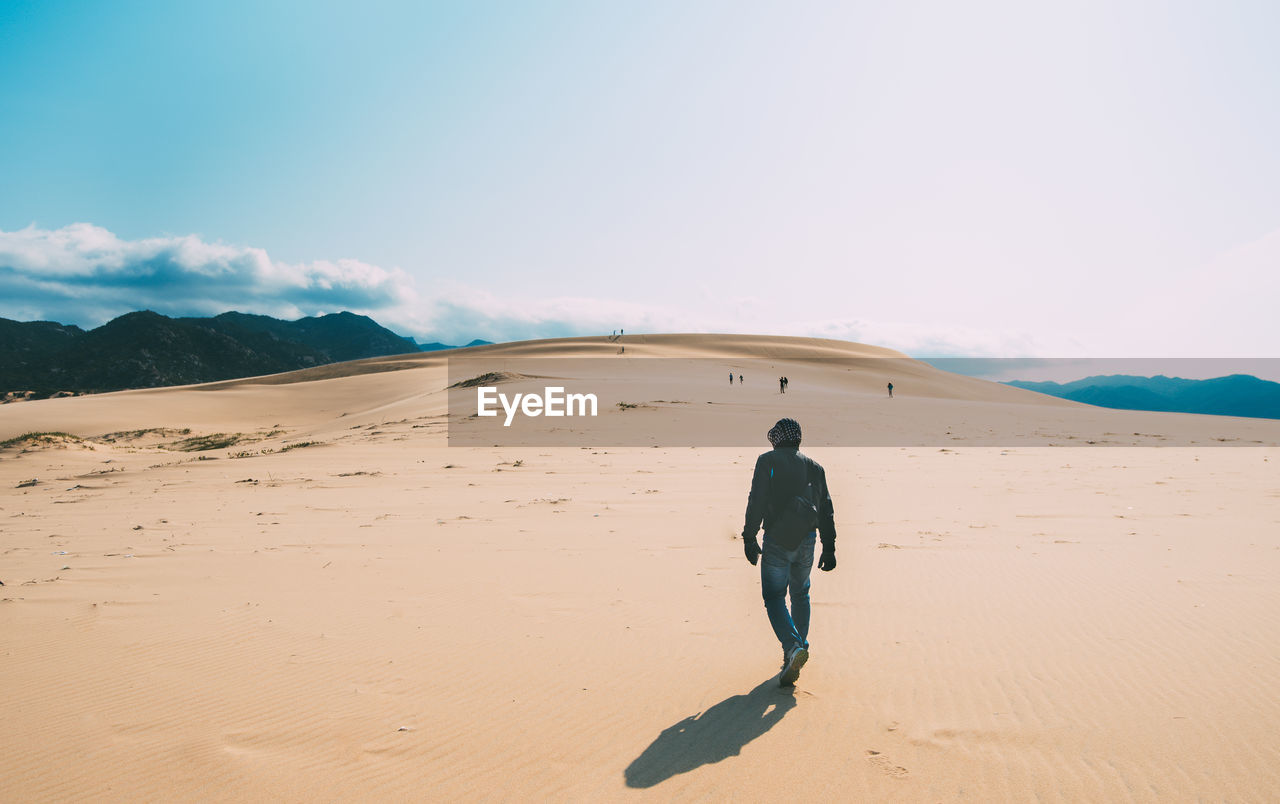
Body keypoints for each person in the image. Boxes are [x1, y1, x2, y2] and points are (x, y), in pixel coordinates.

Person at [741, 418, 837, 686]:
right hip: (808, 539)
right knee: (800, 594)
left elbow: (756, 498)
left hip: (777, 539)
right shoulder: (816, 467)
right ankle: (795, 651)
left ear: (777, 438)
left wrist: (749, 537)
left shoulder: (767, 460)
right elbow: (826, 509)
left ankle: (793, 647)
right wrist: (829, 547)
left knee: (773, 596)